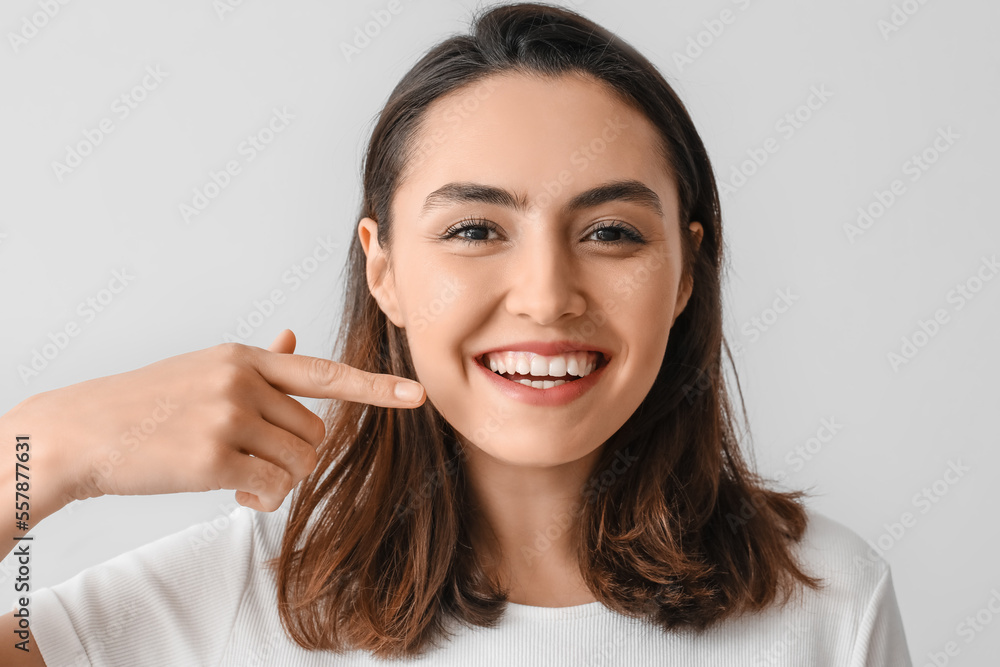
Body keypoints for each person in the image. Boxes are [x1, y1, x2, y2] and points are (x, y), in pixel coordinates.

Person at [1, 2, 912, 665]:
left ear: (683, 271)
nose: (548, 297)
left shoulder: (826, 598)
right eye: (475, 229)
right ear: (384, 268)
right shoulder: (232, 600)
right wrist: (44, 448)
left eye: (612, 233)